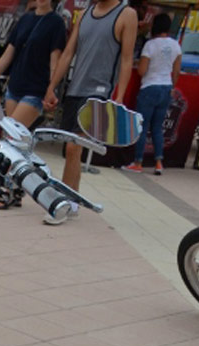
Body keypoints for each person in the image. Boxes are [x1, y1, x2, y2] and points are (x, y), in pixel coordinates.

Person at [43, 0, 137, 223]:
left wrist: (119, 98)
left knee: (74, 147)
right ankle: (73, 202)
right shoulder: (84, 15)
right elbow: (68, 53)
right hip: (74, 90)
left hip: (98, 92)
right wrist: (51, 86)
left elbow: (126, 60)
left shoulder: (126, 14)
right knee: (71, 150)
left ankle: (64, 203)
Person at [0, 0, 66, 209]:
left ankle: (8, 190)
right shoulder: (25, 19)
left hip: (35, 90)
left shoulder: (56, 23)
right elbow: (8, 55)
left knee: (11, 142)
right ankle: (17, 189)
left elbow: (55, 61)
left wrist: (51, 89)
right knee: (17, 144)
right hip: (15, 87)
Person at [122, 12, 181, 175]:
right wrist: (172, 86)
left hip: (150, 87)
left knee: (142, 126)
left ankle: (138, 162)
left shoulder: (150, 45)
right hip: (166, 87)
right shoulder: (176, 45)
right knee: (157, 128)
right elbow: (176, 71)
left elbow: (141, 70)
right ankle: (159, 163)